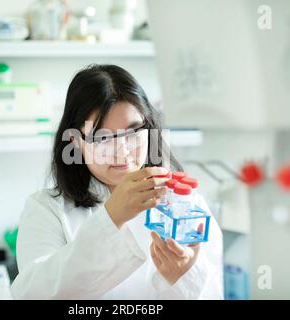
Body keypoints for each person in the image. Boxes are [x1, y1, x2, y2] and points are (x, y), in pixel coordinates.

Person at [11, 64, 223, 299]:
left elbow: (214, 293)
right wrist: (111, 218)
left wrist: (185, 276)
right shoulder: (46, 210)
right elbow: (33, 294)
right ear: (76, 142)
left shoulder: (186, 204)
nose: (121, 150)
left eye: (132, 132)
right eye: (102, 138)